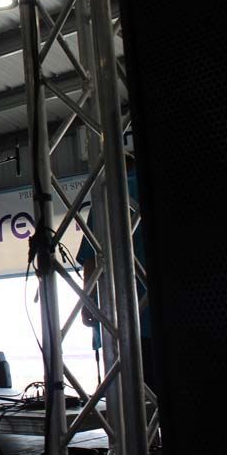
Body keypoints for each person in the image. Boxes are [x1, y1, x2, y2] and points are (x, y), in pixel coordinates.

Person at [76, 156, 154, 390]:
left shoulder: (107, 197)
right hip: (154, 317)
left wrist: (87, 302)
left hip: (118, 318)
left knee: (128, 403)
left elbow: (91, 258)